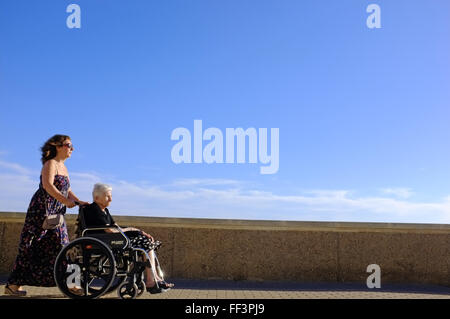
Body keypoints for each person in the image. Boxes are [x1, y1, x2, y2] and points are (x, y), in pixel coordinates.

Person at [5, 135, 89, 296]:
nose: (72, 148)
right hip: (41, 212)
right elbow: (48, 186)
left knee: (65, 247)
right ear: (58, 146)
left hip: (57, 214)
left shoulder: (63, 167)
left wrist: (79, 202)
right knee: (30, 248)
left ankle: (72, 285)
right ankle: (13, 286)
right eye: (68, 145)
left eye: (72, 146)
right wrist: (65, 201)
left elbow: (68, 190)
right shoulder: (50, 164)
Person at [82, 183, 174, 294]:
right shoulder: (93, 209)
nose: (110, 199)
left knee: (147, 242)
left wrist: (137, 231)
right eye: (107, 196)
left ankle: (155, 278)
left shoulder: (104, 210)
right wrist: (131, 229)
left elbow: (116, 227)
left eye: (110, 196)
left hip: (111, 239)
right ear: (97, 198)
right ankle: (151, 280)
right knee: (145, 244)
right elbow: (110, 230)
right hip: (104, 240)